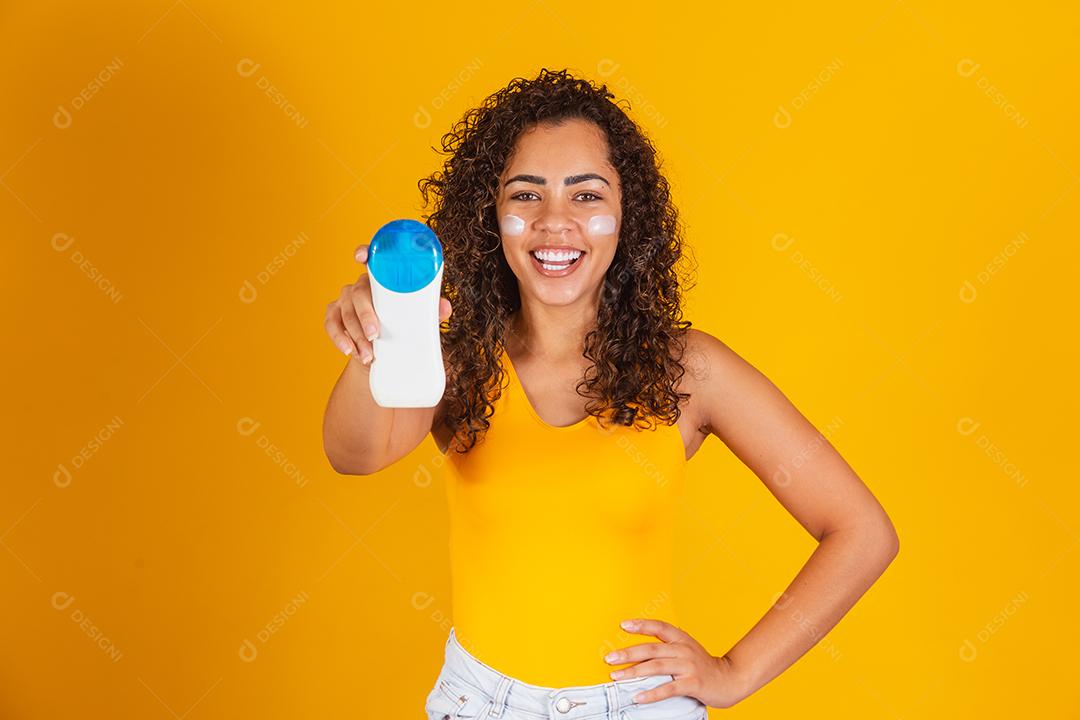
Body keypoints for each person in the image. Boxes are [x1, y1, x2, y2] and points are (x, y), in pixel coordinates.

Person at [322, 68, 899, 719]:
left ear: (627, 215)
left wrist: (735, 672)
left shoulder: (688, 370)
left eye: (587, 196)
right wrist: (383, 334)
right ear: (492, 213)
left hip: (637, 706)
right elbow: (355, 453)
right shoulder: (456, 352)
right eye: (526, 195)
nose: (554, 222)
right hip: (479, 699)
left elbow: (861, 532)